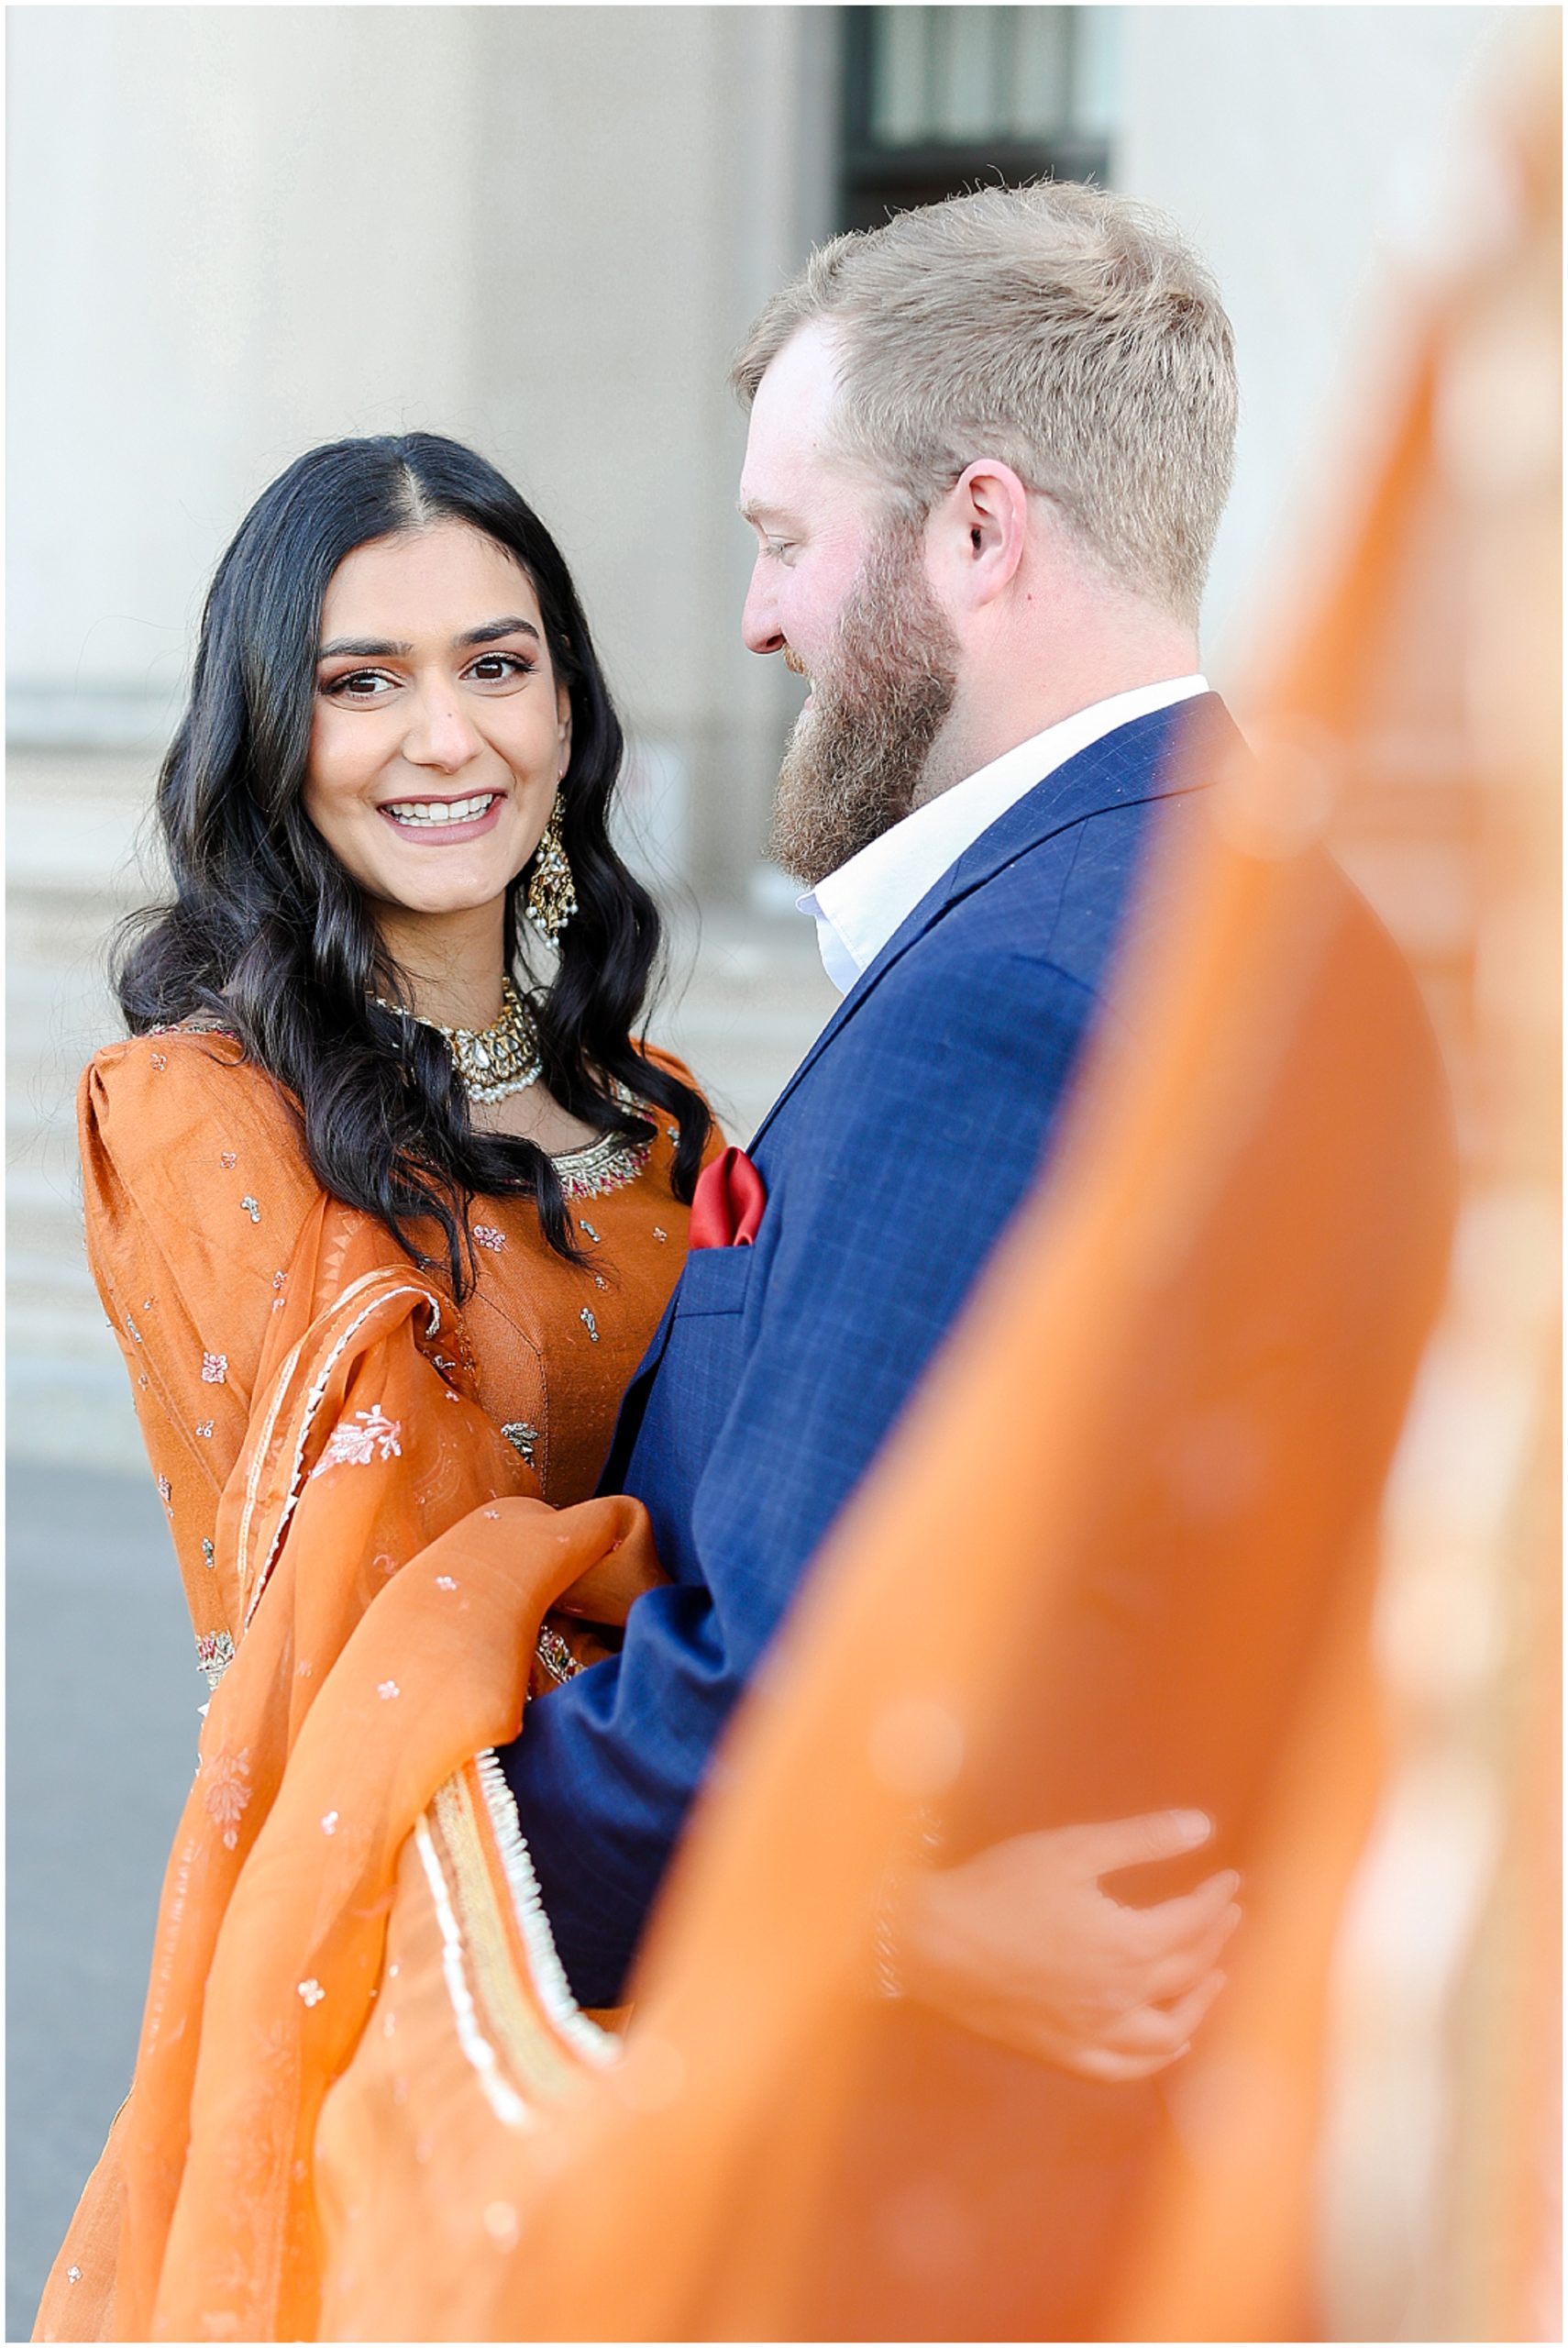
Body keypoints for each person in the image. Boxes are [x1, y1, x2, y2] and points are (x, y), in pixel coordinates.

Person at [39, 416, 1231, 2343]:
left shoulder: (656, 1119)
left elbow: (771, 1541)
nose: (450, 737)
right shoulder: (200, 1124)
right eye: (366, 682)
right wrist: (905, 1922)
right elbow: (382, 1682)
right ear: (274, 730)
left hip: (704, 1940)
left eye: (498, 664)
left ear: (571, 707)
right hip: (443, 1975)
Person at [501, 180, 1250, 2059]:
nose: (757, 620)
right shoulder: (1284, 895)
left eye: (784, 539)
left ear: (979, 528)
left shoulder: (1013, 995)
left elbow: (772, 1692)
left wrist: (408, 1851)